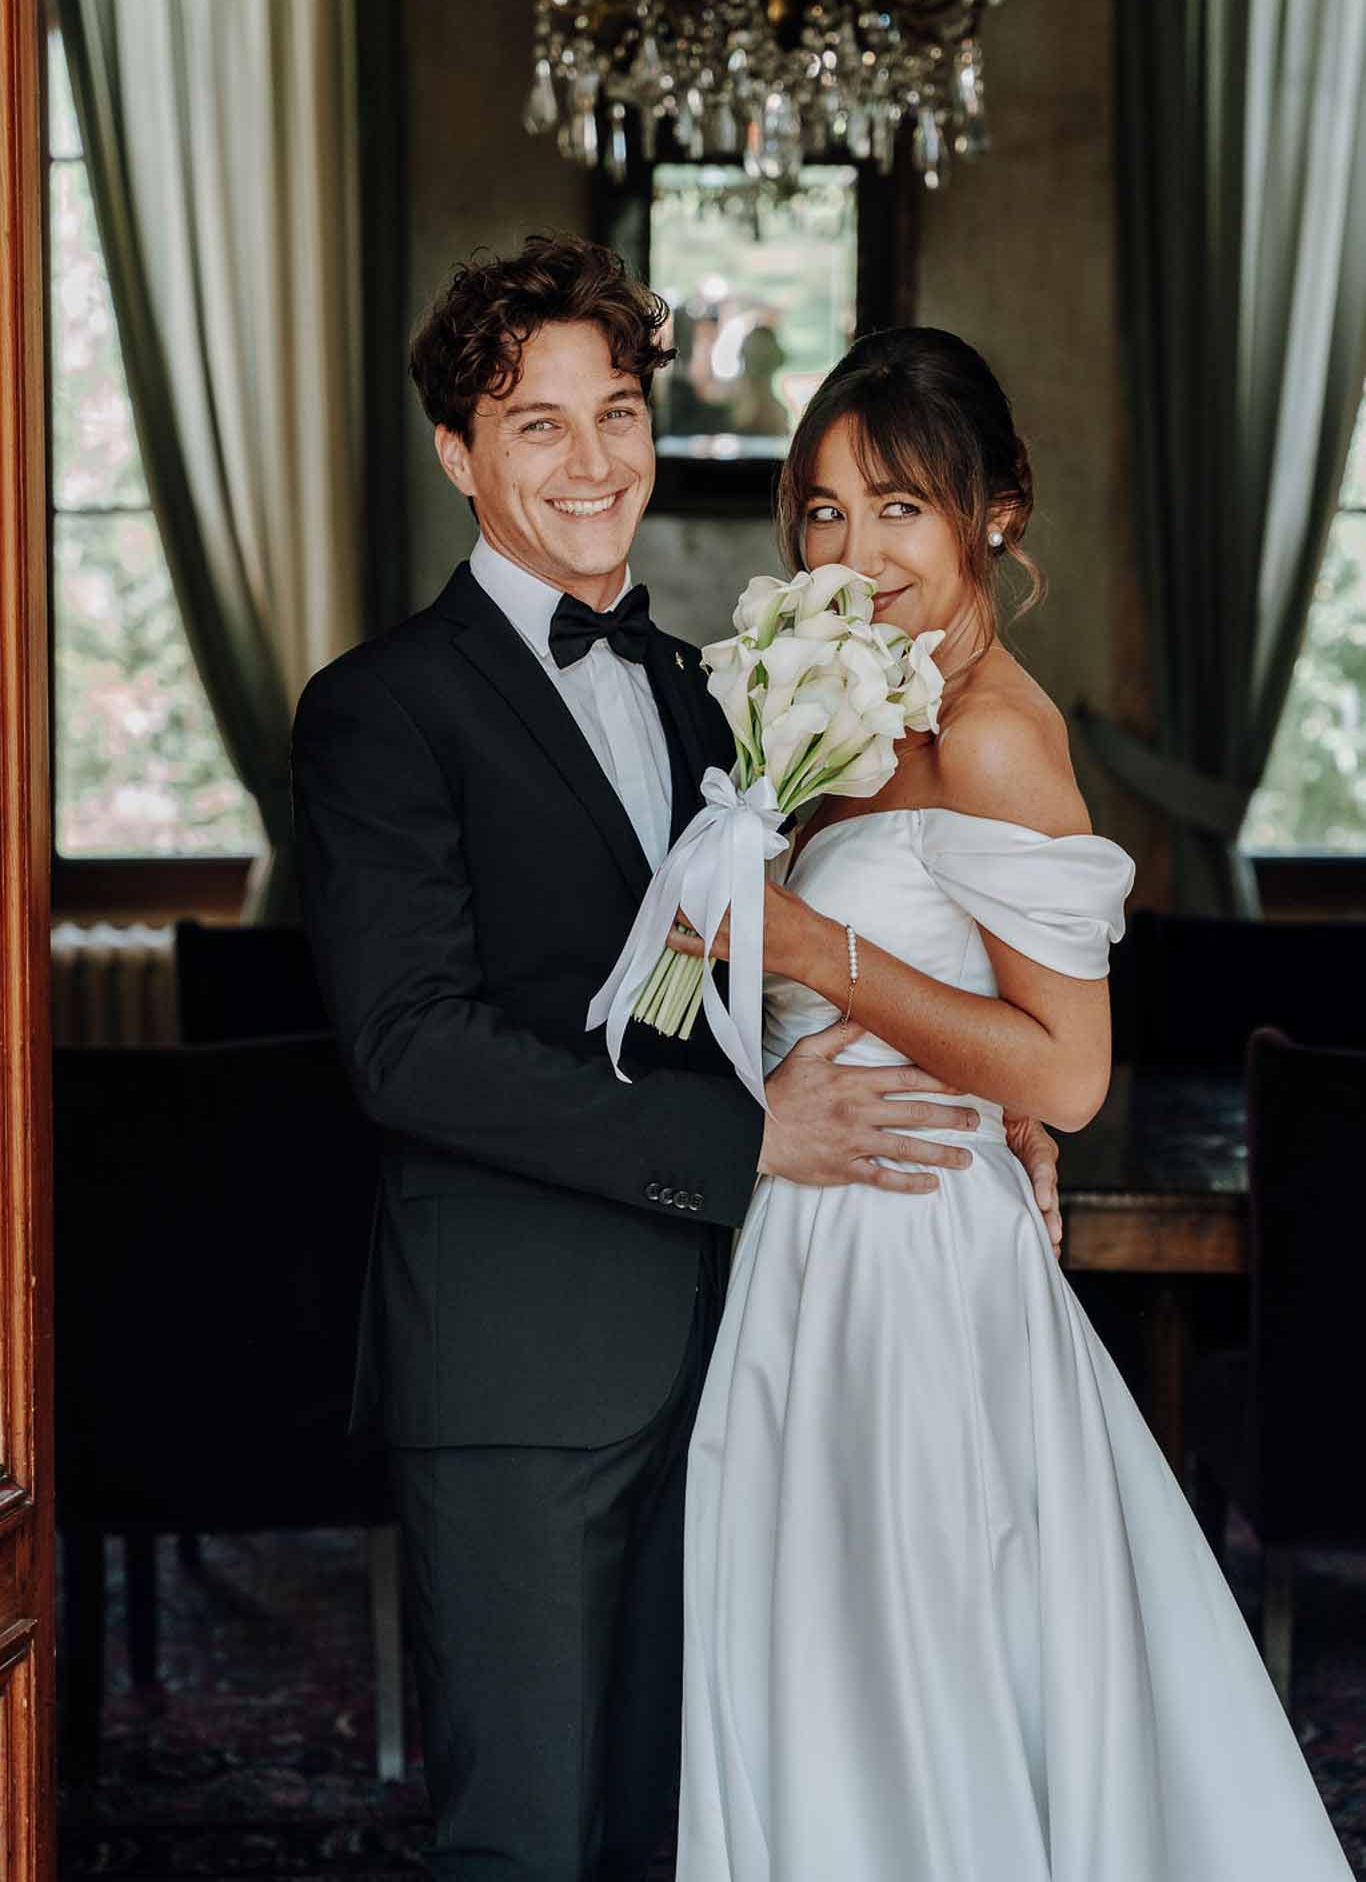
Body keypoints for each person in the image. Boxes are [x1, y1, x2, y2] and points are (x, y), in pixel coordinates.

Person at [290, 240, 1060, 1882]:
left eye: (617, 414)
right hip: (523, 1367)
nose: (593, 464)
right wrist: (751, 1148)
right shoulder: (380, 710)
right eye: (538, 426)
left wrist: (995, 1099)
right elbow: (410, 1051)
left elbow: (761, 983)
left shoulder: (716, 695)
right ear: (459, 456)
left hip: (744, 1351)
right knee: (526, 1841)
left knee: (684, 1825)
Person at [672, 327, 1354, 1881]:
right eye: (826, 510)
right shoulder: (845, 713)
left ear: (995, 511)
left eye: (899, 507)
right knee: (813, 1661)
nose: (854, 549)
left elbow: (1065, 1067)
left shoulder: (991, 731)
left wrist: (806, 946)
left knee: (919, 1668)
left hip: (915, 1268)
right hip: (806, 1248)